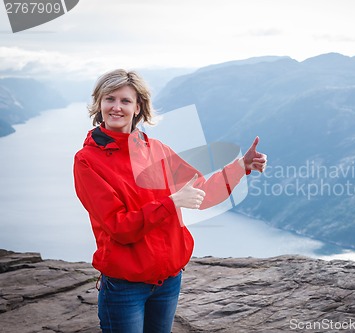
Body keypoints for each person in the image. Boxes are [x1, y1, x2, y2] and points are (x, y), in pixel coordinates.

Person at [73, 69, 267, 333]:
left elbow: (202, 194)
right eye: (109, 99)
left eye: (125, 101)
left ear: (138, 107)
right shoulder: (87, 161)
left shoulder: (157, 150)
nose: (116, 107)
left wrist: (240, 167)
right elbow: (120, 227)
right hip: (125, 286)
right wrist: (172, 202)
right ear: (99, 104)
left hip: (169, 280)